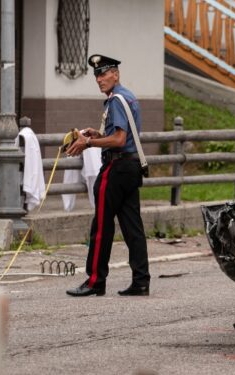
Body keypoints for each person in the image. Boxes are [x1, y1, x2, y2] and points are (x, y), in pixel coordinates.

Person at [65, 54, 150, 297]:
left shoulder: (116, 100)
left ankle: (95, 281)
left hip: (116, 168)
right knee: (133, 227)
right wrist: (97, 132)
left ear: (116, 74)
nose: (99, 79)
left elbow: (119, 140)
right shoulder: (128, 97)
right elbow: (119, 134)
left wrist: (88, 142)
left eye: (103, 74)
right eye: (96, 75)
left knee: (101, 226)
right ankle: (141, 281)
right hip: (131, 167)